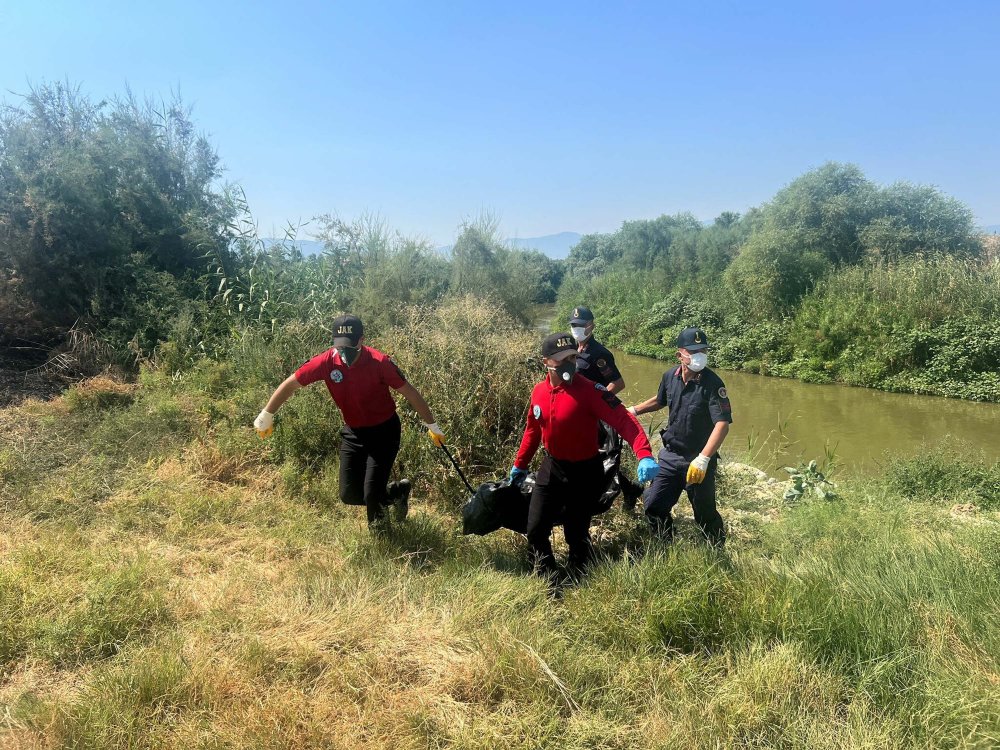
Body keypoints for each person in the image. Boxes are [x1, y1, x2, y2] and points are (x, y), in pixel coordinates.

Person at [253, 314, 445, 531]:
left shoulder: (379, 362)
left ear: (361, 340)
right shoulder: (326, 362)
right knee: (349, 495)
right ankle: (397, 493)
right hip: (353, 432)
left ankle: (383, 546)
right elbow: (290, 384)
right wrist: (266, 415)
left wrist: (432, 426)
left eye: (350, 345)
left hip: (384, 431)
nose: (344, 351)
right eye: (340, 346)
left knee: (371, 493)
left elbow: (410, 393)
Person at [509, 332, 660, 582]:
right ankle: (547, 575)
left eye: (573, 357)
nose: (569, 363)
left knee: (576, 532)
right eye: (562, 358)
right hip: (553, 466)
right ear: (546, 361)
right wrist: (520, 465)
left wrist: (644, 453)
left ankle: (579, 573)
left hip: (585, 471)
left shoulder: (591, 391)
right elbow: (533, 431)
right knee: (535, 528)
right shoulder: (538, 393)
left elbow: (623, 419)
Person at [627, 326, 732, 546]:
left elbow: (722, 424)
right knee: (654, 505)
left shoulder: (713, 384)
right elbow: (660, 400)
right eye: (693, 351)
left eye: (703, 350)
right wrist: (634, 410)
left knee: (705, 513)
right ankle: (665, 544)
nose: (699, 356)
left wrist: (704, 459)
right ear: (680, 355)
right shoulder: (669, 377)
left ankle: (715, 551)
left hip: (698, 459)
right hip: (671, 456)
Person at [569, 305, 646, 509]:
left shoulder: (599, 354)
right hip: (578, 415)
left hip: (595, 416)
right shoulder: (573, 350)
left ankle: (597, 498)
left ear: (591, 325)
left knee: (601, 456)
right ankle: (630, 489)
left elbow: (617, 383)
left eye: (580, 325)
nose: (575, 328)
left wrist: (598, 403)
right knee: (595, 457)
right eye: (573, 325)